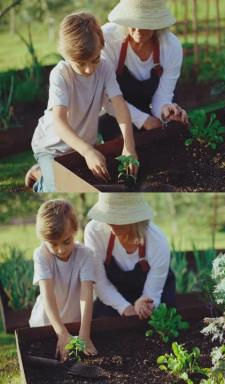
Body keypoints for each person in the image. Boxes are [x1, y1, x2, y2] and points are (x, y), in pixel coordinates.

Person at [26, 12, 138, 192]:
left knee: (96, 185)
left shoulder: (105, 68)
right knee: (59, 189)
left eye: (94, 60)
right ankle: (40, 175)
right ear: (65, 55)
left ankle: (47, 173)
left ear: (101, 45)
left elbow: (119, 105)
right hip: (52, 148)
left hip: (86, 144)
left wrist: (129, 146)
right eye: (80, 63)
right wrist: (87, 152)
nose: (88, 69)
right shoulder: (61, 74)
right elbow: (59, 123)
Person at [99, 0, 188, 140]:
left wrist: (165, 111)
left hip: (148, 109)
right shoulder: (107, 39)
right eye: (133, 20)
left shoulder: (171, 46)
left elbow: (163, 96)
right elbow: (105, 95)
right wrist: (144, 120)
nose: (138, 29)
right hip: (114, 113)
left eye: (145, 22)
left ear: (157, 22)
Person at [84, 193, 175, 319]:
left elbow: (152, 293)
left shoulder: (158, 241)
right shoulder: (94, 231)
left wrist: (143, 304)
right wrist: (126, 308)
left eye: (119, 217)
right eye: (109, 216)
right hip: (115, 294)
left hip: (154, 293)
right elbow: (100, 283)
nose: (112, 222)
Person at [29, 199, 98, 361]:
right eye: (53, 244)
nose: (61, 250)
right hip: (45, 324)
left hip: (75, 322)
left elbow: (86, 294)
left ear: (75, 230)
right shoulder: (41, 255)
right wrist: (61, 333)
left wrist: (84, 334)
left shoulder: (85, 254)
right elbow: (48, 296)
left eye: (66, 241)